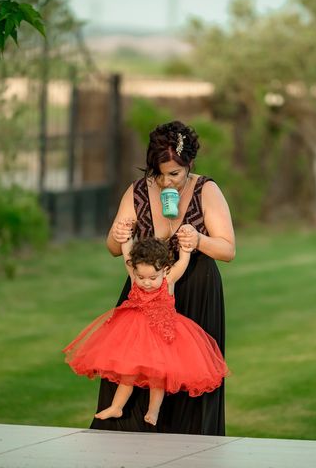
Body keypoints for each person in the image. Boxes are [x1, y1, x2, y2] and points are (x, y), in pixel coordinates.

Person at [94, 120, 236, 435]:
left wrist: (198, 240)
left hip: (194, 292)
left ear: (190, 165)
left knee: (187, 385)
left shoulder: (206, 190)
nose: (167, 181)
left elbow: (228, 249)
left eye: (176, 174)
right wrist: (117, 235)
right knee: (130, 370)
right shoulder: (138, 191)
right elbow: (114, 249)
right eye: (160, 173)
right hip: (143, 296)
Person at [63, 236, 229, 426]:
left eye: (152, 278)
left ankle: (153, 410)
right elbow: (127, 256)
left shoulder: (168, 280)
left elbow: (183, 262)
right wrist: (126, 240)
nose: (146, 283)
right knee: (127, 374)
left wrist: (185, 248)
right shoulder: (136, 276)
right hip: (135, 334)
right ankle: (116, 406)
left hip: (162, 335)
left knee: (157, 378)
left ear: (164, 270)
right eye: (141, 277)